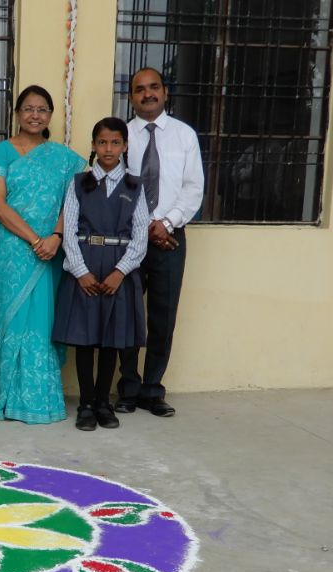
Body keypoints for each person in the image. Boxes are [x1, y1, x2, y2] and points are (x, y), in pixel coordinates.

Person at [0, 85, 87, 424]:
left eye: (42, 109)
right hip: (12, 250)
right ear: (17, 113)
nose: (35, 115)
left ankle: (40, 399)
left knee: (41, 322)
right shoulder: (1, 152)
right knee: (11, 318)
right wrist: (34, 240)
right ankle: (10, 400)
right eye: (28, 108)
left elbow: (73, 200)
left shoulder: (63, 158)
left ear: (50, 116)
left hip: (50, 249)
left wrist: (55, 236)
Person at [116, 67, 203, 418]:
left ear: (165, 92)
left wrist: (166, 223)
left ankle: (152, 390)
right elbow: (114, 183)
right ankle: (127, 387)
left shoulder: (184, 135)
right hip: (127, 238)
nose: (147, 94)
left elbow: (193, 187)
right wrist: (143, 226)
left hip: (170, 237)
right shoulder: (120, 136)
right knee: (127, 315)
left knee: (162, 316)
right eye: (140, 89)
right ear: (131, 96)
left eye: (154, 88)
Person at [54, 118, 149, 431]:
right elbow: (68, 229)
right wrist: (80, 271)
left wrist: (121, 271)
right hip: (85, 264)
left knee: (111, 339)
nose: (109, 149)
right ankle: (85, 403)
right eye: (102, 142)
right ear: (94, 145)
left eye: (115, 142)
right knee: (85, 338)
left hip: (118, 269)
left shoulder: (135, 186)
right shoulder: (79, 183)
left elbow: (140, 236)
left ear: (124, 147)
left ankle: (104, 403)